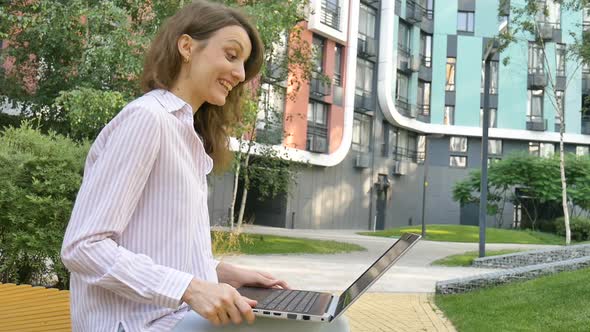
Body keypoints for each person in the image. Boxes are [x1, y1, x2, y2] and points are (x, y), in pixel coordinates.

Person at [61, 1, 288, 331]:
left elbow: (160, 250)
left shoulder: (185, 134)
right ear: (187, 47)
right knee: (327, 327)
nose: (240, 75)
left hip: (172, 319)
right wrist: (192, 288)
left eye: (243, 64)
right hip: (138, 324)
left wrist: (220, 272)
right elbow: (82, 247)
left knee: (316, 316)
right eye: (231, 54)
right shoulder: (147, 119)